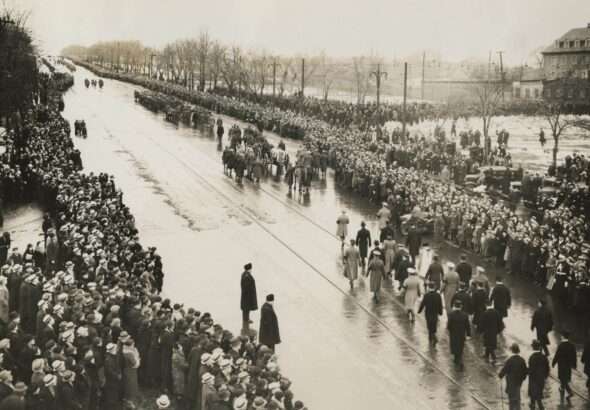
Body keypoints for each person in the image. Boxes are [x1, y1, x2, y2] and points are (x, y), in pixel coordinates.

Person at [499, 343, 528, 410]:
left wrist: (500, 375)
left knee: (511, 399)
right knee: (517, 398)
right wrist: (522, 379)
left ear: (512, 351)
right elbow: (525, 371)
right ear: (518, 351)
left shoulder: (510, 360)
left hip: (510, 382)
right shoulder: (522, 360)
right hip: (518, 382)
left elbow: (504, 370)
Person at [552, 331, 577, 402]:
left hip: (561, 365)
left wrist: (553, 362)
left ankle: (569, 392)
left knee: (562, 379)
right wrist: (574, 365)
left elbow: (557, 355)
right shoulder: (572, 345)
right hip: (568, 365)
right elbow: (574, 356)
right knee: (565, 378)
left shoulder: (561, 345)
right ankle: (562, 388)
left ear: (563, 337)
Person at [447, 301, 471, 369]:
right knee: (460, 347)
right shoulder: (465, 315)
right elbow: (467, 326)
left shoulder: (451, 314)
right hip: (461, 334)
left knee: (455, 346)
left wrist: (450, 330)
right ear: (461, 306)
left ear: (454, 306)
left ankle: (458, 360)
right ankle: (458, 359)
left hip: (454, 334)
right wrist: (468, 334)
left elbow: (449, 326)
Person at [418, 282, 443, 346]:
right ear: (434, 287)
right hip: (435, 313)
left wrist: (419, 311)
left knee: (429, 325)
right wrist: (440, 312)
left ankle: (432, 337)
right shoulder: (438, 295)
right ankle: (432, 337)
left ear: (429, 287)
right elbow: (440, 305)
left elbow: (422, 304)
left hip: (428, 313)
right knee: (434, 325)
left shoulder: (426, 295)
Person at [528, 340, 550, 410]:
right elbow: (547, 368)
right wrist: (545, 376)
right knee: (539, 396)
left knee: (533, 396)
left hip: (533, 380)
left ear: (533, 347)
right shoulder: (544, 357)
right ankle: (540, 407)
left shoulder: (532, 357)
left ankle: (533, 406)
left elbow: (530, 370)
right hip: (541, 379)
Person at [240, 263, 258, 330]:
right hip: (247, 295)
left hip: (246, 295)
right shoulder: (246, 276)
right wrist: (249, 294)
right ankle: (245, 321)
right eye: (251, 269)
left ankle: (246, 319)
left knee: (246, 308)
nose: (251, 270)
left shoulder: (245, 274)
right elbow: (246, 286)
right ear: (249, 269)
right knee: (246, 308)